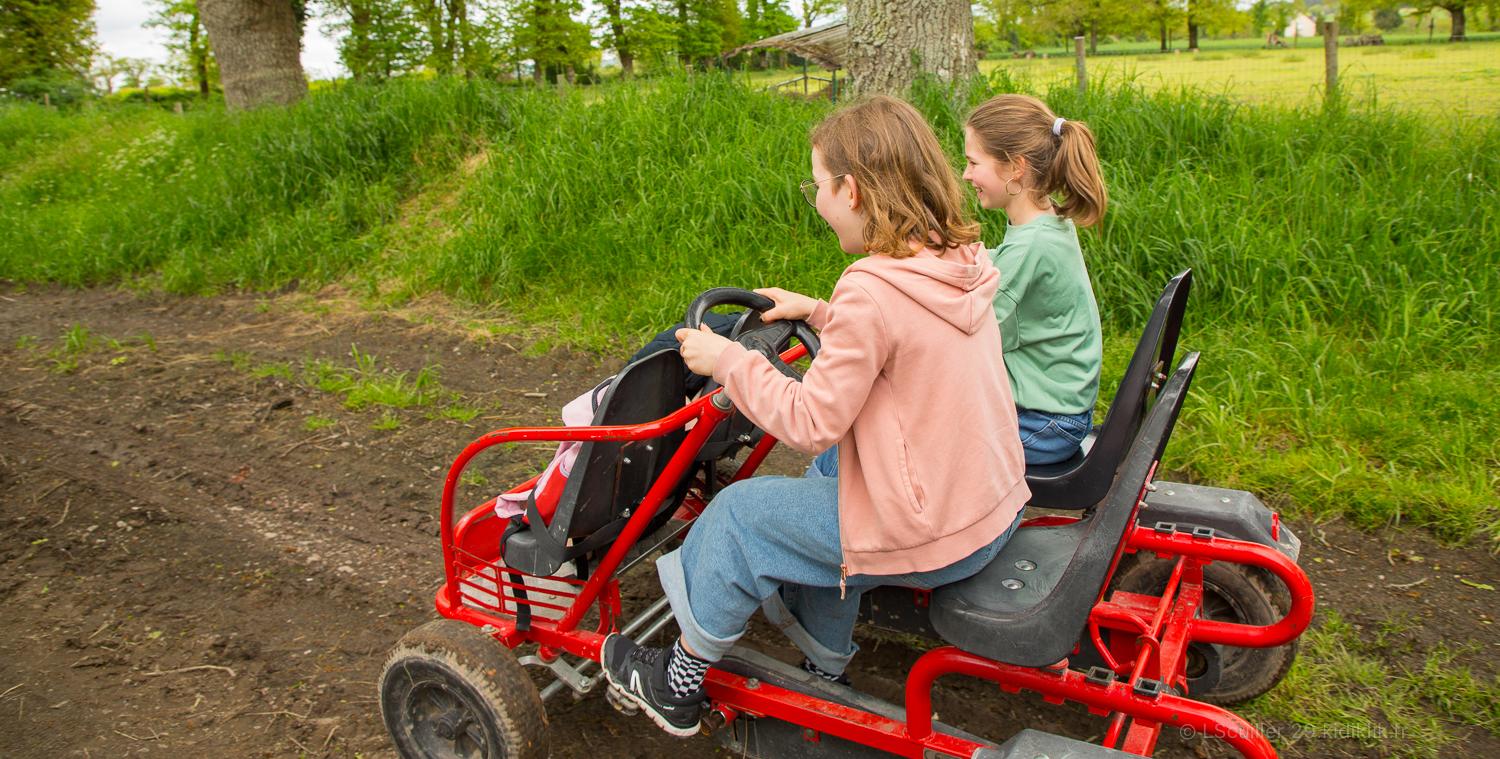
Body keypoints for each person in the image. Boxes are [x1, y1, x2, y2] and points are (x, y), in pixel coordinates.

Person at [600, 95, 1030, 737]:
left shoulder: (871, 286)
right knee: (834, 473)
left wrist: (729, 362)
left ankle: (675, 684)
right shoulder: (959, 262)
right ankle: (823, 667)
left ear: (851, 190)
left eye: (819, 186)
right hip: (988, 501)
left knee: (739, 516)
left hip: (934, 530)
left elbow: (808, 421)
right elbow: (900, 343)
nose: (819, 200)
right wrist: (822, 314)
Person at [959, 94, 1108, 466]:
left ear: (1015, 168)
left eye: (973, 162)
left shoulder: (1031, 245)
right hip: (1057, 413)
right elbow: (1002, 270)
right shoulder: (1048, 223)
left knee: (902, 438)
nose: (966, 175)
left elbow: (971, 333)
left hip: (1043, 424)